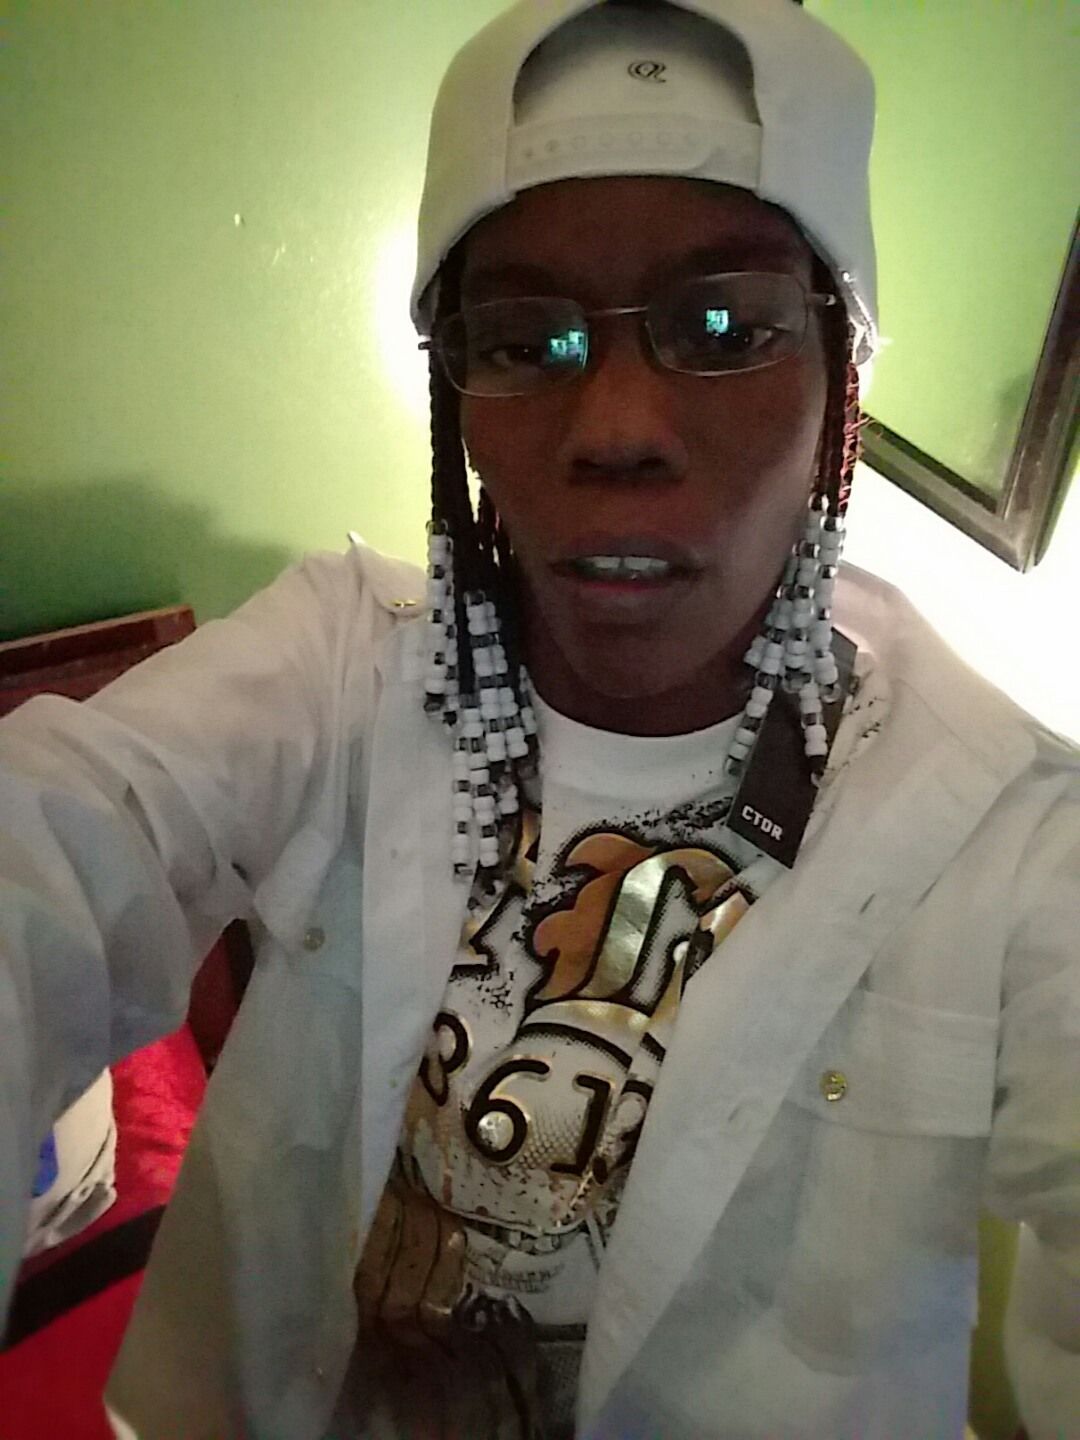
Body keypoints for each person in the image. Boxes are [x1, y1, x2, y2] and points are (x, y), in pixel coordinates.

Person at [0, 0, 1076, 1436]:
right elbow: (50, 849)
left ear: (842, 385)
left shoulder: (1011, 837)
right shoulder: (341, 666)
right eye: (523, 339)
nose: (614, 429)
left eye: (722, 327)